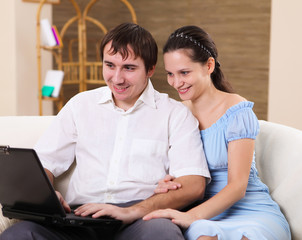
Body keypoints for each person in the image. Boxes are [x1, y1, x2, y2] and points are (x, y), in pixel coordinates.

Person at [0, 23, 211, 240]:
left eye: (129, 68)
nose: (117, 78)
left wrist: (131, 211)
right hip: (80, 217)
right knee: (20, 235)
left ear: (150, 69)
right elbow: (43, 163)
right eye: (110, 65)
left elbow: (194, 185)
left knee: (161, 234)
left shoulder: (174, 114)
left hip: (141, 219)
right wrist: (46, 196)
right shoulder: (80, 105)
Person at [143, 25, 291, 240]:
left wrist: (191, 216)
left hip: (250, 209)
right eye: (170, 74)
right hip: (206, 215)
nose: (176, 83)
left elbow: (238, 187)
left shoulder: (237, 112)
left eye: (184, 72)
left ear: (209, 65)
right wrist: (167, 181)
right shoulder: (177, 115)